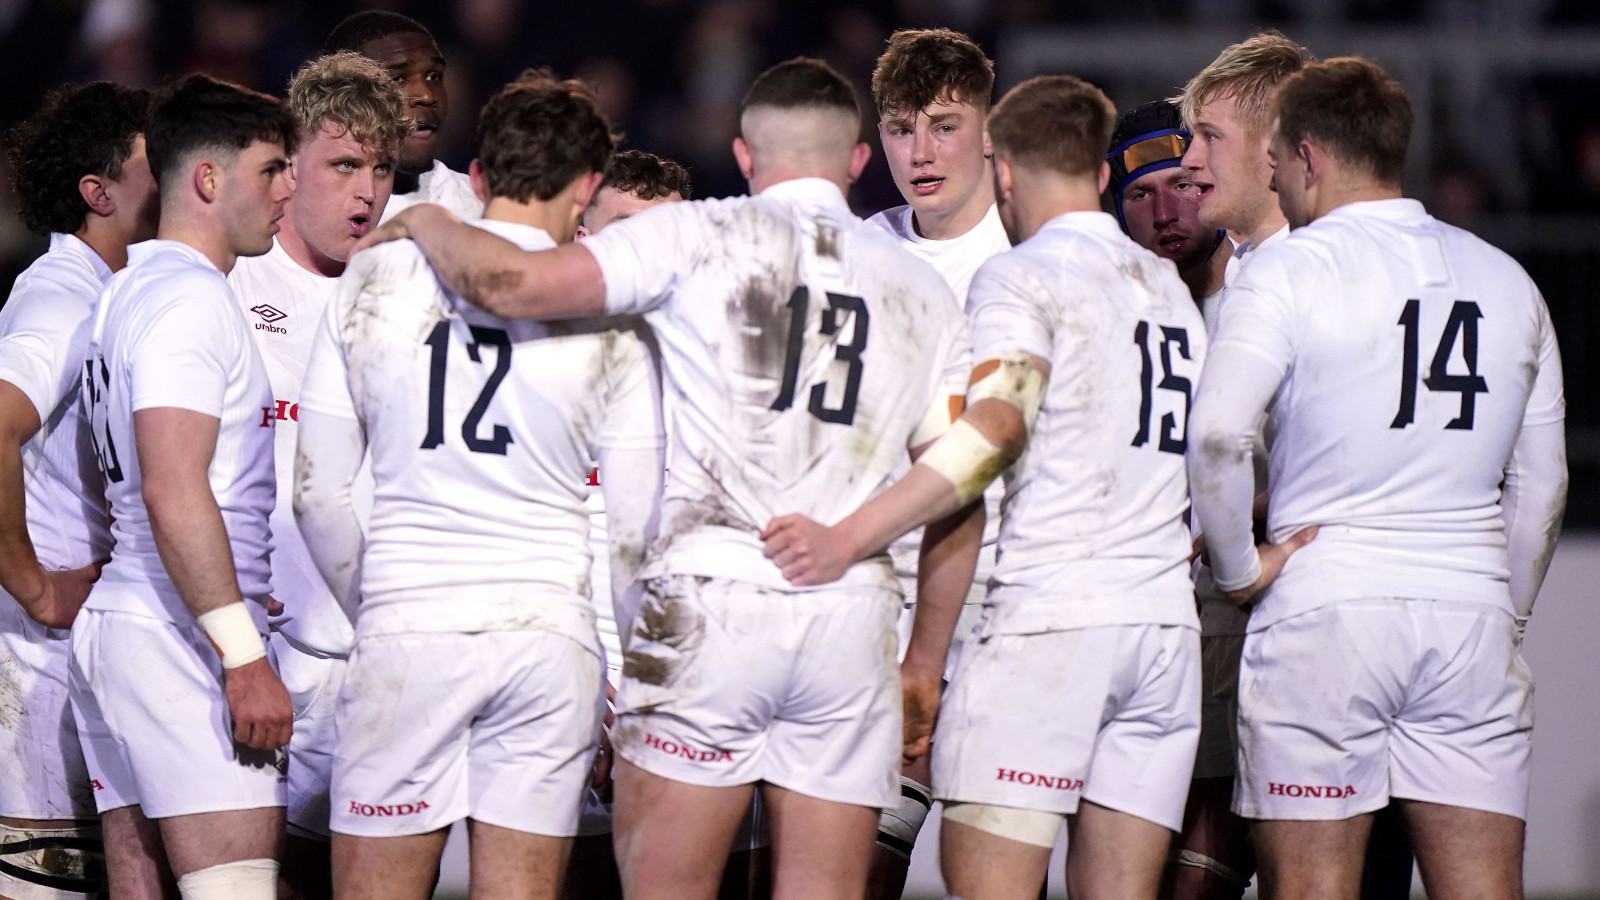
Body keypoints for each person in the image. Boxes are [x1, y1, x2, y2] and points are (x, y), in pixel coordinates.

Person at [354, 56, 978, 900]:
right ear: (860, 159)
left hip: (714, 603)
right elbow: (959, 483)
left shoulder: (696, 236)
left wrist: (429, 220)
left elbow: (511, 283)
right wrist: (924, 659)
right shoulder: (925, 290)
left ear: (745, 155)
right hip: (849, 619)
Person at [762, 73, 1206, 900]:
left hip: (1049, 628)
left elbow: (995, 429)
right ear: (1100, 174)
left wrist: (848, 539)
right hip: (1162, 638)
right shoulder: (1170, 291)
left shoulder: (1022, 276)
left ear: (1005, 171)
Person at [1187, 57, 1565, 900]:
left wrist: (1240, 571)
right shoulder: (1508, 279)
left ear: (1310, 156)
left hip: (1325, 613)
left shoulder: (1290, 268)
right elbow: (1541, 485)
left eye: (1279, 159)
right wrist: (1505, 612)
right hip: (1468, 614)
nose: (1274, 178)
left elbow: (1214, 438)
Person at [294, 74, 662, 900]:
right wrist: (639, 682)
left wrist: (382, 606)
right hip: (547, 641)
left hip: (408, 626)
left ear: (481, 176)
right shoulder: (611, 311)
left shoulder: (374, 276)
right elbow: (635, 537)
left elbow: (317, 496)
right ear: (588, 187)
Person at [70, 73, 297, 900]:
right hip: (177, 640)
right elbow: (171, 488)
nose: (288, 189)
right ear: (208, 178)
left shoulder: (126, 292)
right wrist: (241, 652)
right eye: (271, 169)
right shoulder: (191, 300)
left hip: (133, 627)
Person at [225, 50, 410, 900]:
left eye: (383, 169)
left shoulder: (411, 290)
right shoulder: (229, 283)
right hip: (259, 652)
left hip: (378, 654)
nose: (366, 193)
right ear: (289, 164)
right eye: (343, 165)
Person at [0, 80, 156, 900]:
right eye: (155, 163)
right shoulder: (65, 299)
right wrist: (34, 587)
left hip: (91, 644)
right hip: (40, 653)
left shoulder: (120, 293)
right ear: (99, 192)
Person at [863, 30, 1010, 896]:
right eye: (900, 128)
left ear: (990, 132)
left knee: (997, 871)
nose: (920, 152)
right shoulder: (860, 252)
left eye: (944, 126)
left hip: (1008, 605)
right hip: (884, 602)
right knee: (861, 865)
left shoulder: (1035, 252)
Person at [325, 10, 482, 221]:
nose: (427, 95)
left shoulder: (478, 208)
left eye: (433, 76)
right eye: (398, 79)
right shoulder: (291, 214)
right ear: (341, 97)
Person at [1107, 100, 1227, 305]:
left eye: (1182, 186)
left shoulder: (1275, 286)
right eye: (1142, 195)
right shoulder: (1106, 312)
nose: (1164, 215)